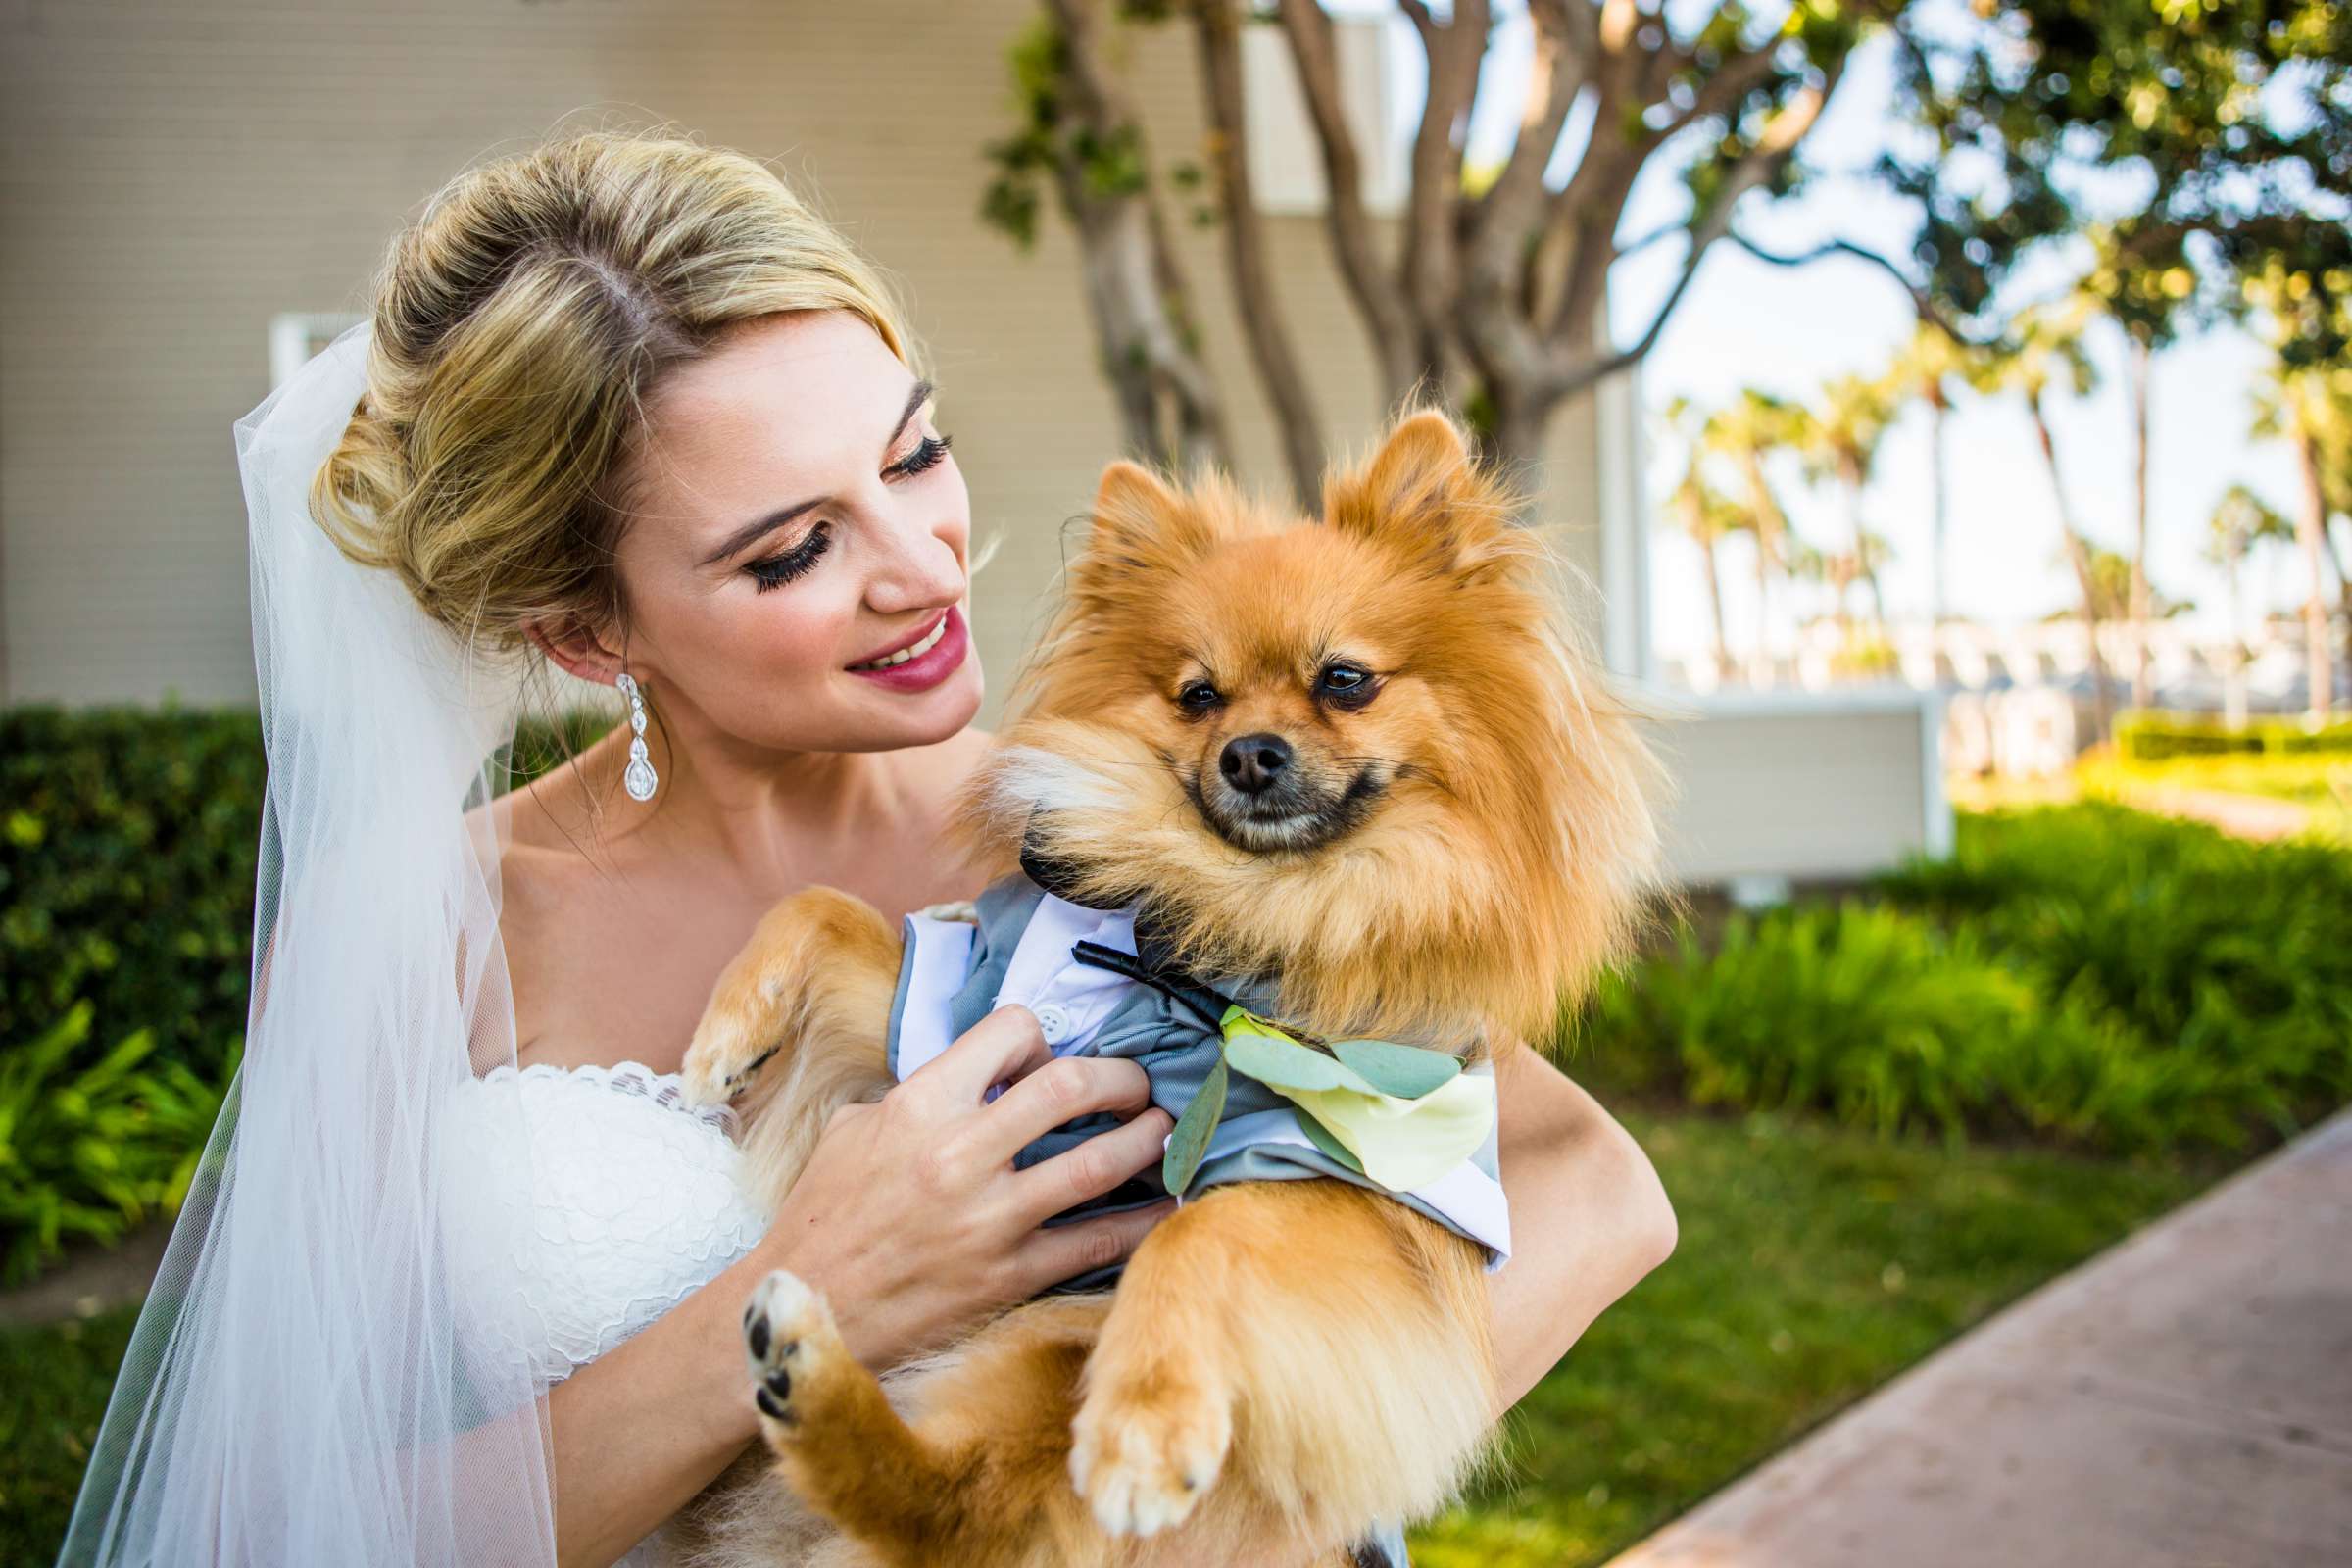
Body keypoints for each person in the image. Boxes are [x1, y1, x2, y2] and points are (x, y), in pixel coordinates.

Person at [63, 130, 1675, 1568]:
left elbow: (1593, 1189)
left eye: (914, 454)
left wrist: (1267, 1505)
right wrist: (807, 1287)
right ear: (581, 630)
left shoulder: (1145, 849)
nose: (925, 567)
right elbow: (281, 1524)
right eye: (794, 549)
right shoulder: (431, 933)